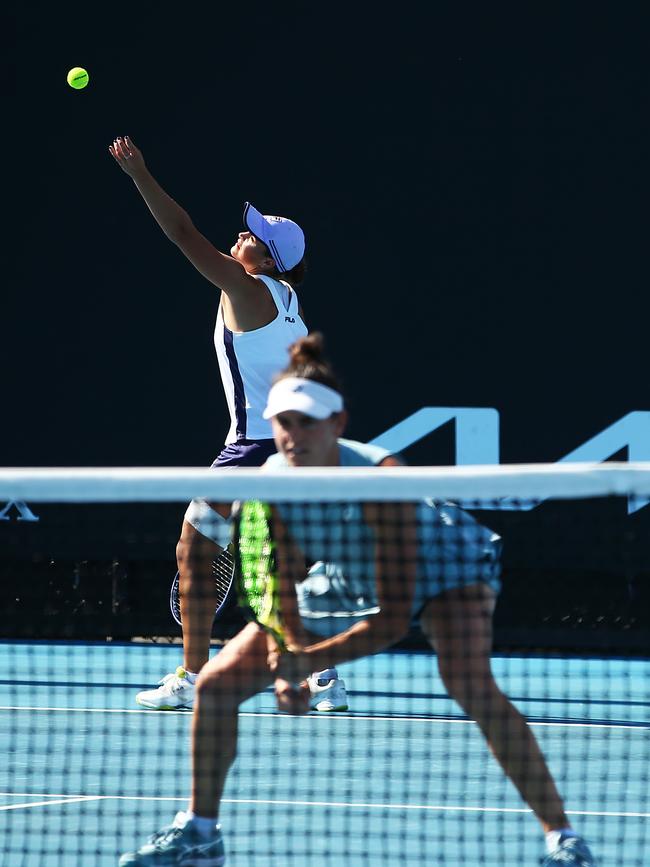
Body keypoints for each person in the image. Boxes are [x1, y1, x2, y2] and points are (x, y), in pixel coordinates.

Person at [119, 333, 597, 867]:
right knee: (215, 685)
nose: (292, 435)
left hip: (447, 572)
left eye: (307, 422)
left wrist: (306, 661)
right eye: (283, 422)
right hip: (346, 569)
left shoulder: (381, 481)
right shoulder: (271, 483)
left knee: (470, 684)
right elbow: (282, 585)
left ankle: (565, 839)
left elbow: (391, 621)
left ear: (338, 424)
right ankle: (200, 831)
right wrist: (286, 664)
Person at [108, 137, 347, 714]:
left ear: (264, 260)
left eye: (250, 237)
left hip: (254, 451)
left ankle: (193, 673)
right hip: (294, 452)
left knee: (193, 548)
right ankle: (325, 675)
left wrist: (139, 172)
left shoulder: (246, 288)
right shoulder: (285, 293)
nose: (238, 236)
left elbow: (183, 234)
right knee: (288, 563)